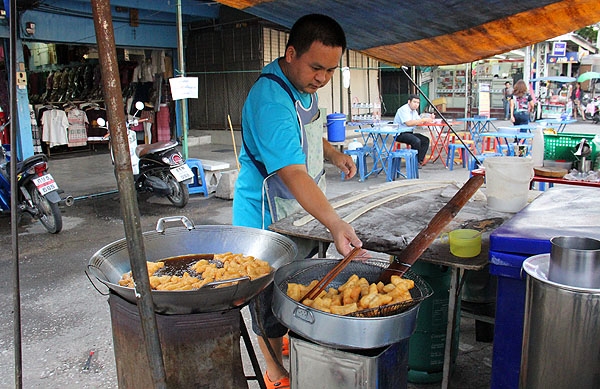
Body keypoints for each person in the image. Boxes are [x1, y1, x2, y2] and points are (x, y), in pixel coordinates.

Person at [232, 14, 363, 389]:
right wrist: (335, 223)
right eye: (316, 67)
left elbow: (304, 135)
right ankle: (275, 375)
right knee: (267, 300)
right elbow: (293, 172)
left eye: (330, 70)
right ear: (291, 53)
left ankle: (284, 339)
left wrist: (333, 154)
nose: (322, 77)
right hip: (266, 217)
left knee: (297, 286)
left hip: (298, 212)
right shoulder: (270, 99)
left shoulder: (303, 87)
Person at [393, 94, 432, 164]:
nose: (416, 104)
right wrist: (423, 120)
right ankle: (413, 161)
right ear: (409, 102)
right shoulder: (403, 110)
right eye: (414, 102)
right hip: (400, 134)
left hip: (409, 132)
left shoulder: (414, 111)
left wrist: (428, 120)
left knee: (425, 140)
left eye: (418, 103)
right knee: (416, 141)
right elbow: (409, 123)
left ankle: (419, 160)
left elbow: (418, 121)